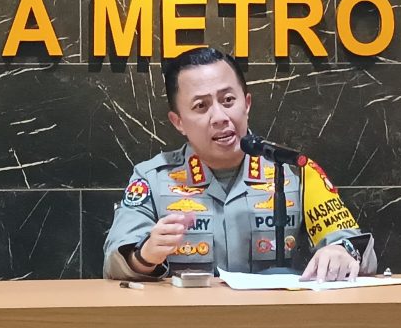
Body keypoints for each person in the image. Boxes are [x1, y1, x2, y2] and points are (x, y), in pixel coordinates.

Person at [103, 47, 377, 282]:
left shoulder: (295, 171)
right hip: (185, 322)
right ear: (178, 122)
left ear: (246, 104)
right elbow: (115, 261)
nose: (220, 117)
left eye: (228, 100)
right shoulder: (152, 179)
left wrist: (342, 251)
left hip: (276, 321)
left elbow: (354, 244)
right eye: (201, 106)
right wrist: (145, 257)